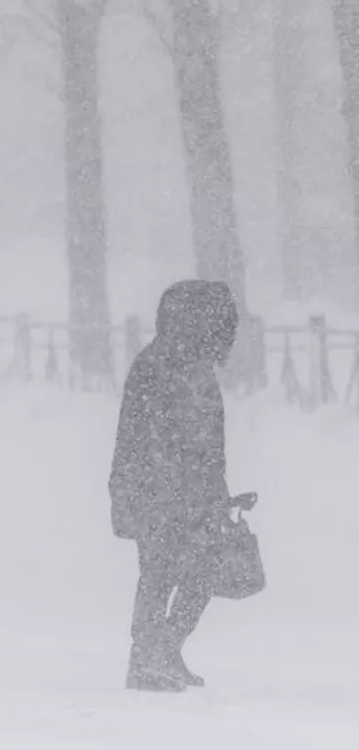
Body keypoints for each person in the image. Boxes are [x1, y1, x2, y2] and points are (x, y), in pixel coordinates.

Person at [109, 279, 240, 692]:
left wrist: (217, 494)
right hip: (156, 493)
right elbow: (149, 438)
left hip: (188, 495)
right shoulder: (158, 366)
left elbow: (209, 444)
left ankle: (163, 651)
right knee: (159, 572)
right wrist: (170, 489)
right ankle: (147, 657)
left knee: (200, 572)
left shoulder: (196, 369)